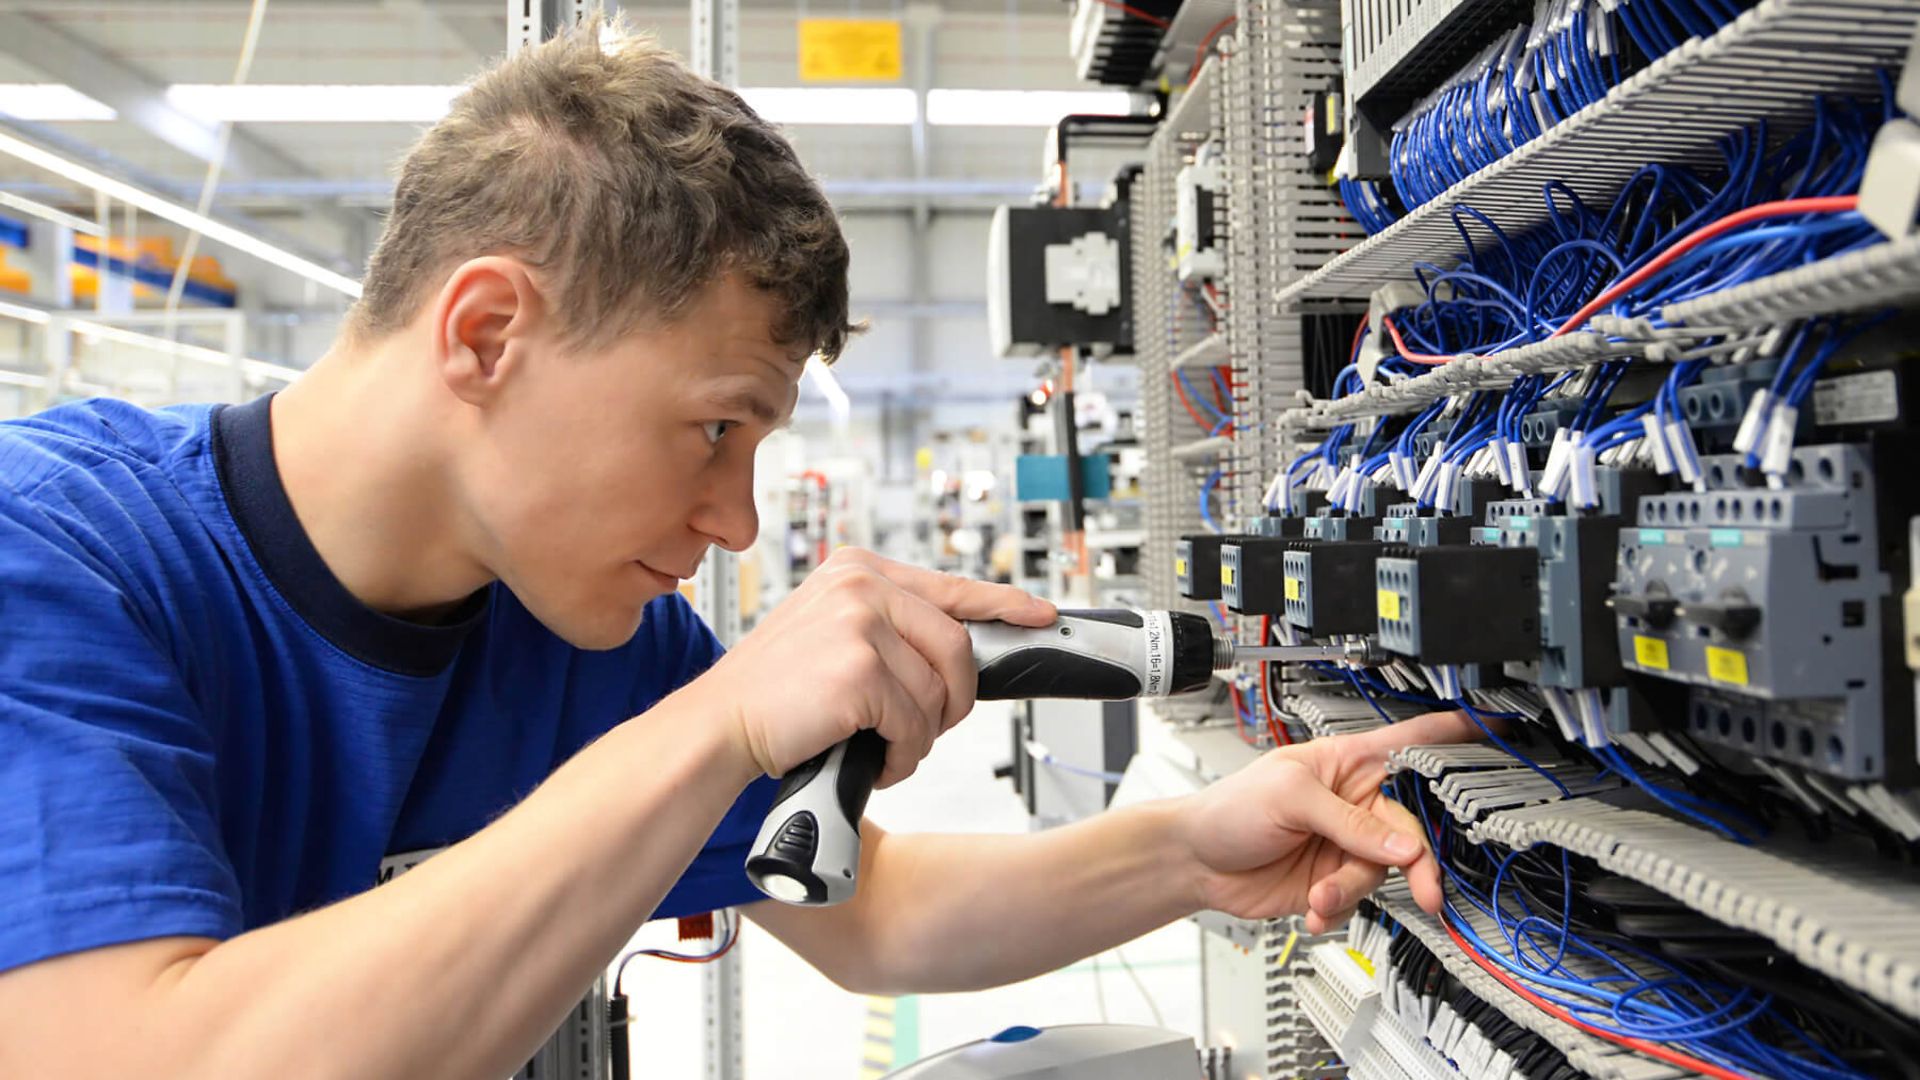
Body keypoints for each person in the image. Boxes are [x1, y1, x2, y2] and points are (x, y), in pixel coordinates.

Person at [0, 19, 1469, 1077]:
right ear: (488, 332)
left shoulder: (582, 635)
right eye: (716, 431)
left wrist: (1189, 855)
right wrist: (716, 723)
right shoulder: (61, 558)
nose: (738, 525)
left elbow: (859, 909)